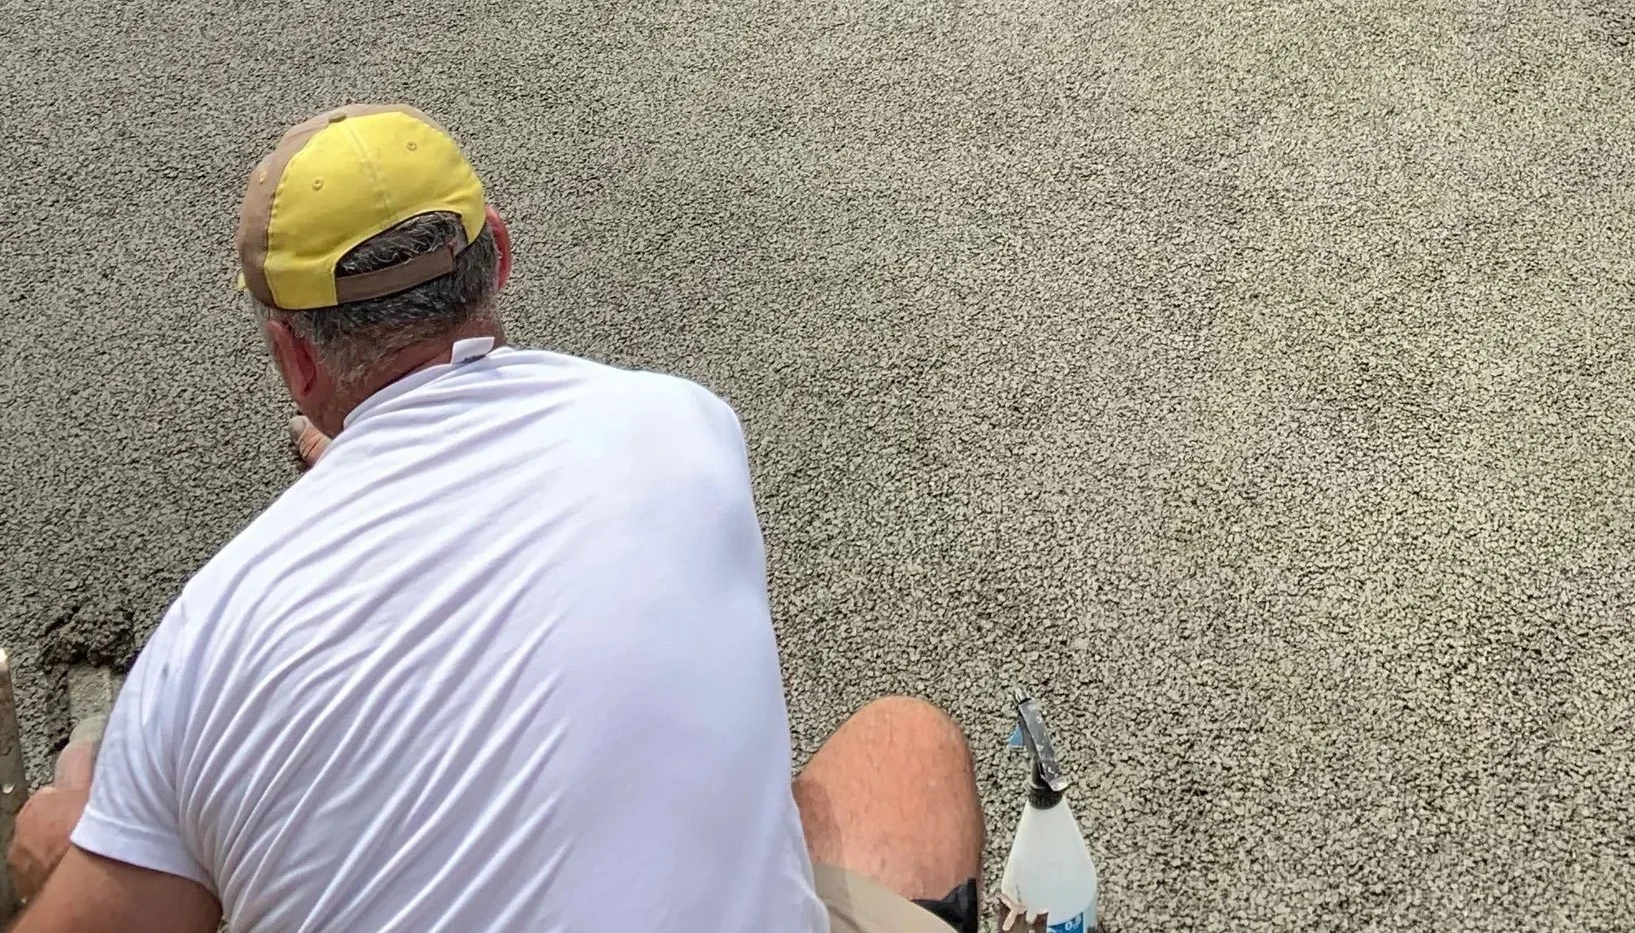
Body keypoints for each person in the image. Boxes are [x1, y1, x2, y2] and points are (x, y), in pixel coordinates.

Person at [7, 108, 983, 933]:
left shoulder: (202, 647)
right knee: (904, 743)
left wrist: (78, 827)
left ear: (292, 356)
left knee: (70, 837)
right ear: (499, 253)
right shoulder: (683, 424)